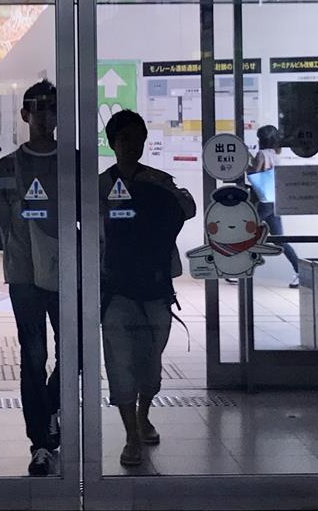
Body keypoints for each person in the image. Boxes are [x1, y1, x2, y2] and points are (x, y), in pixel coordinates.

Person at [99, 109, 195, 468]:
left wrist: (159, 190)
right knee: (120, 363)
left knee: (150, 362)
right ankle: (130, 435)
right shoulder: (100, 186)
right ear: (112, 143)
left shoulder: (158, 180)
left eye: (138, 139)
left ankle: (143, 415)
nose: (131, 145)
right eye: (124, 139)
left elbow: (188, 208)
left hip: (155, 288)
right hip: (115, 289)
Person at [0, 80, 60, 477]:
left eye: (52, 108)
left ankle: (49, 410)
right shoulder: (7, 167)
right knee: (33, 357)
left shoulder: (73, 162)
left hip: (66, 273)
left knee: (76, 353)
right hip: (23, 276)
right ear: (25, 114)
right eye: (38, 108)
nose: (45, 116)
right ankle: (41, 442)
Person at [248, 124, 301, 288]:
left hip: (263, 202)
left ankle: (239, 270)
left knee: (245, 233)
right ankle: (300, 272)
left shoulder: (262, 154)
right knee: (280, 240)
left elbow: (254, 174)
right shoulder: (276, 154)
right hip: (274, 201)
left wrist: (248, 164)